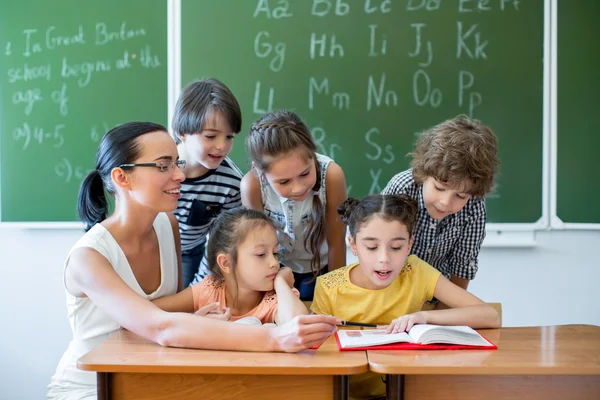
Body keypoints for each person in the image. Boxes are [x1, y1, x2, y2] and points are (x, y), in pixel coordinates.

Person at [47, 122, 338, 400]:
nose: (180, 175)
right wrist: (276, 339)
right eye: (164, 165)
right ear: (122, 178)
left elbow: (166, 318)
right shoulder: (89, 258)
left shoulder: (167, 225)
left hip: (150, 377)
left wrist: (192, 320)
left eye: (177, 163)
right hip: (93, 387)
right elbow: (160, 327)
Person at [312, 194, 500, 399]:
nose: (384, 259)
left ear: (409, 245)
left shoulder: (416, 271)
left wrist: (424, 318)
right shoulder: (329, 286)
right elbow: (317, 357)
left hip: (407, 392)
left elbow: (489, 315)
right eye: (372, 247)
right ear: (354, 245)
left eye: (396, 247)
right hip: (348, 393)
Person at [382, 116, 500, 307]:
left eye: (460, 196)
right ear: (424, 173)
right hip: (389, 295)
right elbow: (379, 250)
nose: (446, 203)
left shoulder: (475, 206)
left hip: (438, 299)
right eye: (439, 188)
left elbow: (462, 266)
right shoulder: (402, 188)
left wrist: (446, 315)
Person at [241, 110, 348, 301]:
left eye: (305, 174)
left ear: (312, 155)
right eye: (284, 182)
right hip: (274, 270)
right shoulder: (252, 186)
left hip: (321, 269)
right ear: (260, 171)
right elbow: (257, 247)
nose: (298, 188)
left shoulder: (331, 175)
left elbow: (336, 242)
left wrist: (337, 297)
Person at [152, 207, 308, 325]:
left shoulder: (277, 296)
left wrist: (281, 282)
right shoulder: (209, 291)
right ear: (226, 263)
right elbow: (144, 313)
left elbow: (298, 324)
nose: (274, 263)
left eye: (275, 253)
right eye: (261, 254)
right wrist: (195, 322)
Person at [171, 78, 244, 287]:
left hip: (191, 255)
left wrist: (200, 285)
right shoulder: (159, 168)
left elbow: (219, 241)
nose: (221, 146)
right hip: (148, 252)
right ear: (182, 133)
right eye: (210, 136)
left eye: (229, 137)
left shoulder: (231, 183)